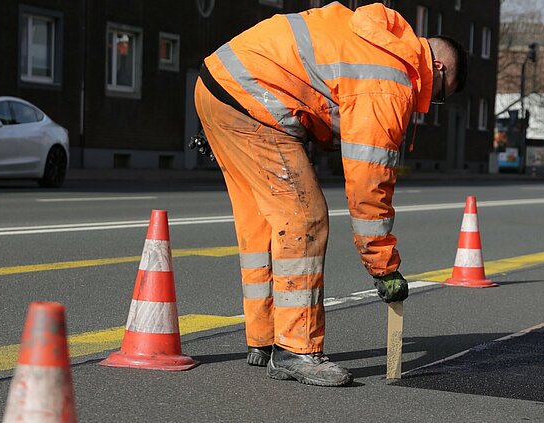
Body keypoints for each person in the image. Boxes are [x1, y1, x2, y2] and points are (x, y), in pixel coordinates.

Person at [193, 3, 467, 387]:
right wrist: (383, 265)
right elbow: (369, 184)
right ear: (437, 69)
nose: (431, 103)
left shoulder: (373, 40)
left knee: (262, 222)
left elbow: (316, 95)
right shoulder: (391, 79)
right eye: (440, 95)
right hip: (254, 102)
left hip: (218, 84)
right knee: (305, 219)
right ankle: (297, 350)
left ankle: (265, 337)